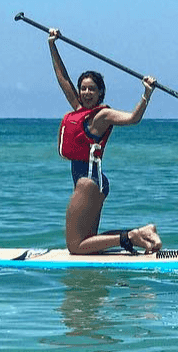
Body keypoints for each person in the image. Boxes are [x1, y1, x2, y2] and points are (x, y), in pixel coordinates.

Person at [48, 28, 162, 255]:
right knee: (90, 241)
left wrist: (146, 94)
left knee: (76, 247)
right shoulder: (80, 110)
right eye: (83, 88)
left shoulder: (102, 116)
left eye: (92, 89)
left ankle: (131, 237)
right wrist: (52, 44)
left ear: (101, 93)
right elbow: (63, 79)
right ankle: (142, 233)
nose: (87, 92)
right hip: (91, 181)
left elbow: (132, 119)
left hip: (88, 183)